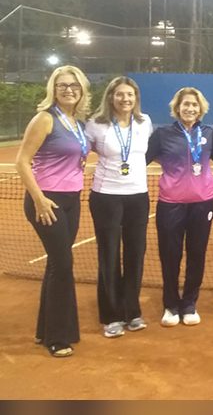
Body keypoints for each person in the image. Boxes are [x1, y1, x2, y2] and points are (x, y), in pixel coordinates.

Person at [15, 65, 91, 357]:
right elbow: (22, 161)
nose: (69, 90)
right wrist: (39, 199)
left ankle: (45, 329)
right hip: (47, 201)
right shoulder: (45, 119)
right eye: (63, 85)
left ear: (82, 90)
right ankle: (58, 338)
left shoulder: (77, 122)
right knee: (63, 263)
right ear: (53, 89)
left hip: (72, 200)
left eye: (74, 85)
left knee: (56, 264)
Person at [146, 87, 213, 327]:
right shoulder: (162, 134)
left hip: (203, 203)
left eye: (194, 105)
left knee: (197, 254)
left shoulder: (209, 134)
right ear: (177, 108)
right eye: (186, 104)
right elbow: (141, 159)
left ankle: (189, 304)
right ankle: (170, 305)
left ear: (201, 109)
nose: (190, 108)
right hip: (171, 203)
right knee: (170, 255)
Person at [85, 76, 153, 338]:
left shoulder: (144, 122)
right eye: (120, 94)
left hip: (138, 196)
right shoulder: (96, 124)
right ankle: (111, 316)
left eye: (130, 94)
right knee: (109, 255)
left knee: (136, 254)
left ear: (136, 98)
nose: (125, 99)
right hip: (106, 197)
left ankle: (132, 312)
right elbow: (80, 151)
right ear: (111, 97)